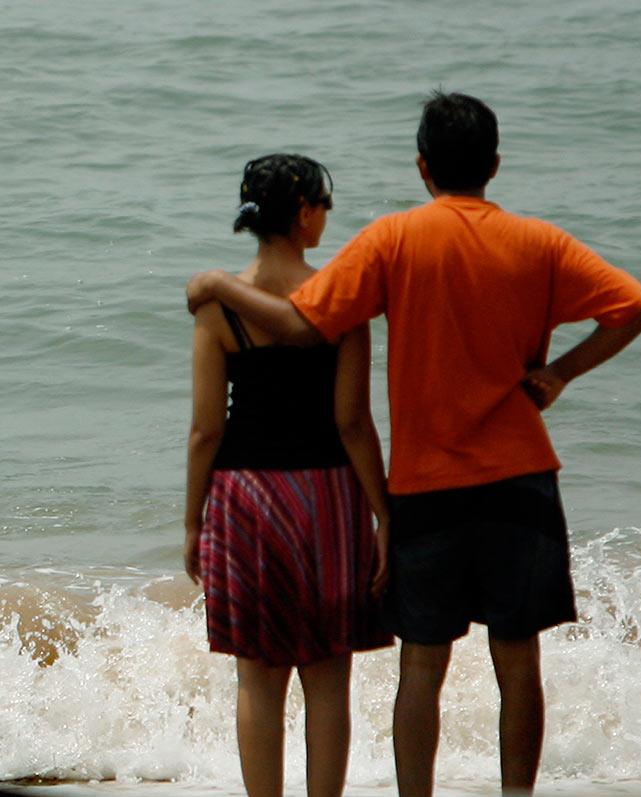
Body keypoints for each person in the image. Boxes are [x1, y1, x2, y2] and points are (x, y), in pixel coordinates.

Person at [185, 94, 641, 796]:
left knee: (420, 665)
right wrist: (558, 373)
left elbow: (293, 331)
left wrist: (219, 283)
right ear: (494, 165)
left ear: (422, 166)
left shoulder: (392, 241)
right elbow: (637, 307)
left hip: (423, 483)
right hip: (520, 475)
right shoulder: (542, 244)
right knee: (518, 658)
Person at [183, 153, 393, 797]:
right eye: (324, 204)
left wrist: (192, 522)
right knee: (329, 677)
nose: (328, 216)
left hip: (244, 497)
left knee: (258, 679)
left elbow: (206, 430)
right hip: (328, 493)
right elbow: (354, 422)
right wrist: (386, 514)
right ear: (304, 214)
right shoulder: (342, 301)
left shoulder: (218, 311)